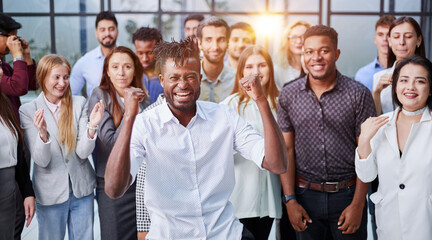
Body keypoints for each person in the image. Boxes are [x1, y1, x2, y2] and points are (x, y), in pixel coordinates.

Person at [103, 39, 287, 239]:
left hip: (225, 234)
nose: (182, 85)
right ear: (162, 80)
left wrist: (261, 101)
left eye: (190, 77)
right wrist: (129, 117)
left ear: (200, 78)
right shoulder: (145, 124)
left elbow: (277, 164)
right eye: (174, 77)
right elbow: (113, 188)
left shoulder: (224, 116)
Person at [278, 25, 376, 240]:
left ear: (336, 54)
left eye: (324, 50)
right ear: (303, 54)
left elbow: (366, 152)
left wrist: (359, 204)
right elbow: (286, 149)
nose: (317, 58)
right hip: (305, 197)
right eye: (309, 52)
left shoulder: (358, 94)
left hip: (348, 196)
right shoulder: (288, 94)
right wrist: (290, 200)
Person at [19, 54, 104, 240]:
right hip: (49, 194)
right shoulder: (28, 110)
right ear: (42, 77)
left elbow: (82, 152)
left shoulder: (79, 103)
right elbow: (41, 160)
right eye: (56, 77)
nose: (62, 82)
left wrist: (92, 127)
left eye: (65, 77)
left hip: (81, 191)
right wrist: (42, 134)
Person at [356, 55, 432, 240]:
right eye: (404, 80)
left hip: (425, 223)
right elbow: (367, 176)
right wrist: (364, 139)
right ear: (395, 86)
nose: (410, 87)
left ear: (430, 89)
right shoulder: (380, 124)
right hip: (389, 224)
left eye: (420, 81)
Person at [88, 46, 150, 240]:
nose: (121, 72)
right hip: (112, 184)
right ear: (107, 70)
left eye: (127, 67)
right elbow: (109, 143)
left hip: (141, 185)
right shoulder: (100, 95)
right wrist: (130, 111)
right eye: (115, 67)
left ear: (135, 71)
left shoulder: (145, 100)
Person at [220, 45, 281, 239]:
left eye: (262, 65)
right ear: (240, 72)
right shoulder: (229, 106)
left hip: (270, 200)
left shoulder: (281, 104)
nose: (256, 72)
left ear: (270, 68)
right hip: (239, 201)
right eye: (249, 67)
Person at [353, 14, 395, 240]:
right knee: (374, 207)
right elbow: (360, 119)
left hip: (400, 149)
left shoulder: (413, 72)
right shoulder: (363, 74)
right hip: (373, 150)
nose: (387, 40)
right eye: (382, 35)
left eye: (392, 35)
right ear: (374, 38)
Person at [0, 13, 37, 240]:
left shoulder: (4, 64)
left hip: (15, 142)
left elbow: (30, 83)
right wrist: (17, 56)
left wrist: (26, 57)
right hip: (4, 150)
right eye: (10, 37)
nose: (14, 41)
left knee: (15, 216)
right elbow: (19, 87)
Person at [372, 16, 425, 115]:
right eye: (396, 37)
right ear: (390, 41)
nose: (401, 42)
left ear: (418, 40)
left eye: (408, 37)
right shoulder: (378, 77)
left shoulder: (428, 75)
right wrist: (376, 93)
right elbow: (376, 118)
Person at [70, 11, 119, 97]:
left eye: (111, 29)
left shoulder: (130, 58)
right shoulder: (85, 62)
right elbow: (70, 95)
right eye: (102, 30)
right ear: (96, 33)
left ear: (117, 31)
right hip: (95, 109)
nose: (107, 34)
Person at [197, 16, 236, 103]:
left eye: (221, 40)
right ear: (200, 44)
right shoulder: (188, 77)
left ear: (228, 43)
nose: (215, 47)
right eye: (208, 40)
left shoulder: (237, 79)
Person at [355, 15, 395, 92]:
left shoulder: (405, 72)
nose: (385, 39)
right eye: (380, 35)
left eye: (389, 35)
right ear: (375, 39)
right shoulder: (361, 75)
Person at [274, 21, 310, 90]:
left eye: (303, 36)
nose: (299, 41)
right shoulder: (278, 70)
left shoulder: (317, 67)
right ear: (286, 41)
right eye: (294, 37)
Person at [132, 27, 163, 103]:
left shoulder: (168, 75)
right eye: (140, 53)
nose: (145, 59)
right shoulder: (131, 76)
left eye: (149, 53)